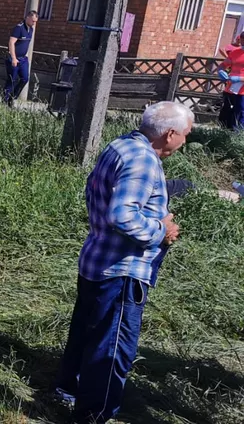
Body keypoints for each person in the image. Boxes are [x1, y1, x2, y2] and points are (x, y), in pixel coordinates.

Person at [54, 101, 193, 424]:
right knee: (113, 346)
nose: (185, 141)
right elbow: (123, 215)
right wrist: (162, 229)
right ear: (170, 134)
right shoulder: (144, 161)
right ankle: (94, 413)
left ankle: (69, 389)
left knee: (87, 333)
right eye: (185, 135)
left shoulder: (122, 146)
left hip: (97, 258)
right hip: (121, 269)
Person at [4, 10, 38, 107]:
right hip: (14, 58)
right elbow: (11, 43)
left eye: (35, 21)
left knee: (25, 78)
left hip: (23, 59)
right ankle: (5, 100)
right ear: (27, 18)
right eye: (33, 21)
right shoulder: (19, 28)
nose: (34, 23)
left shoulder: (31, 29)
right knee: (12, 79)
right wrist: (14, 58)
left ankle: (13, 97)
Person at [218, 32, 244, 130]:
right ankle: (221, 135)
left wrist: (239, 79)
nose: (243, 41)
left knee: (239, 116)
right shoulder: (235, 53)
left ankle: (235, 139)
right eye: (242, 38)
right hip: (230, 89)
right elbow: (223, 65)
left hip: (242, 92)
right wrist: (220, 70)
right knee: (225, 114)